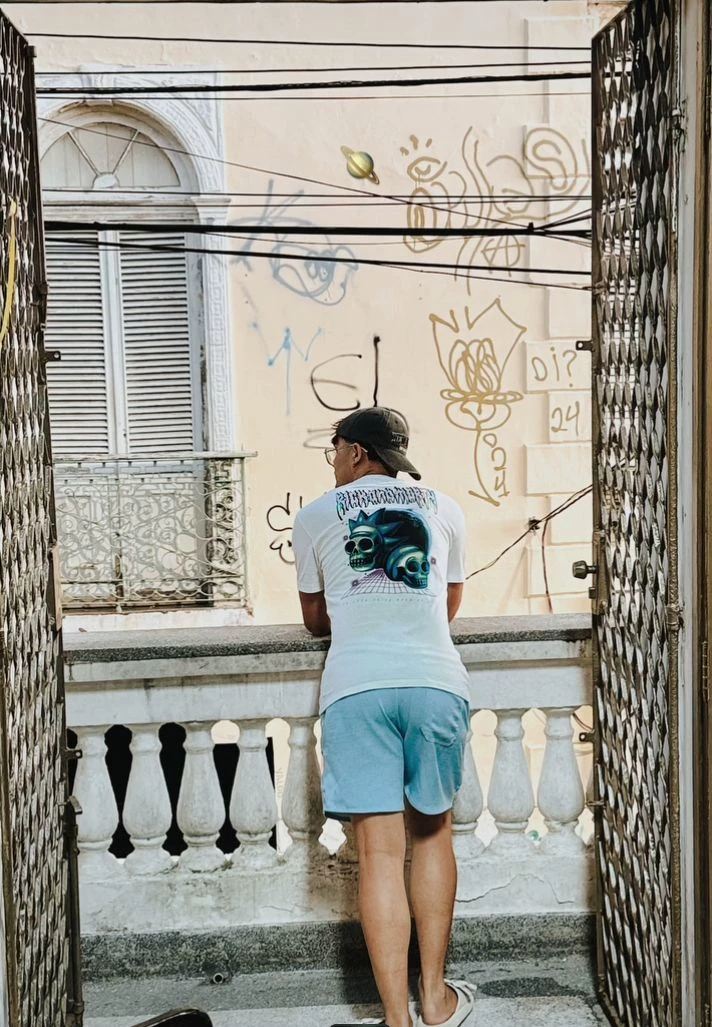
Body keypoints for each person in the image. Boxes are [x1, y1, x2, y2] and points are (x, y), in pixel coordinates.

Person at [292, 407, 477, 1027]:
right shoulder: (446, 507)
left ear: (356, 452)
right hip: (434, 683)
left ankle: (397, 1018)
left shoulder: (315, 515)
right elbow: (447, 603)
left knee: (378, 856)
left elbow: (315, 620)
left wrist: (361, 606)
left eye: (335, 449)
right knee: (432, 835)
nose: (334, 461)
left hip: (357, 688)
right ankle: (436, 999)